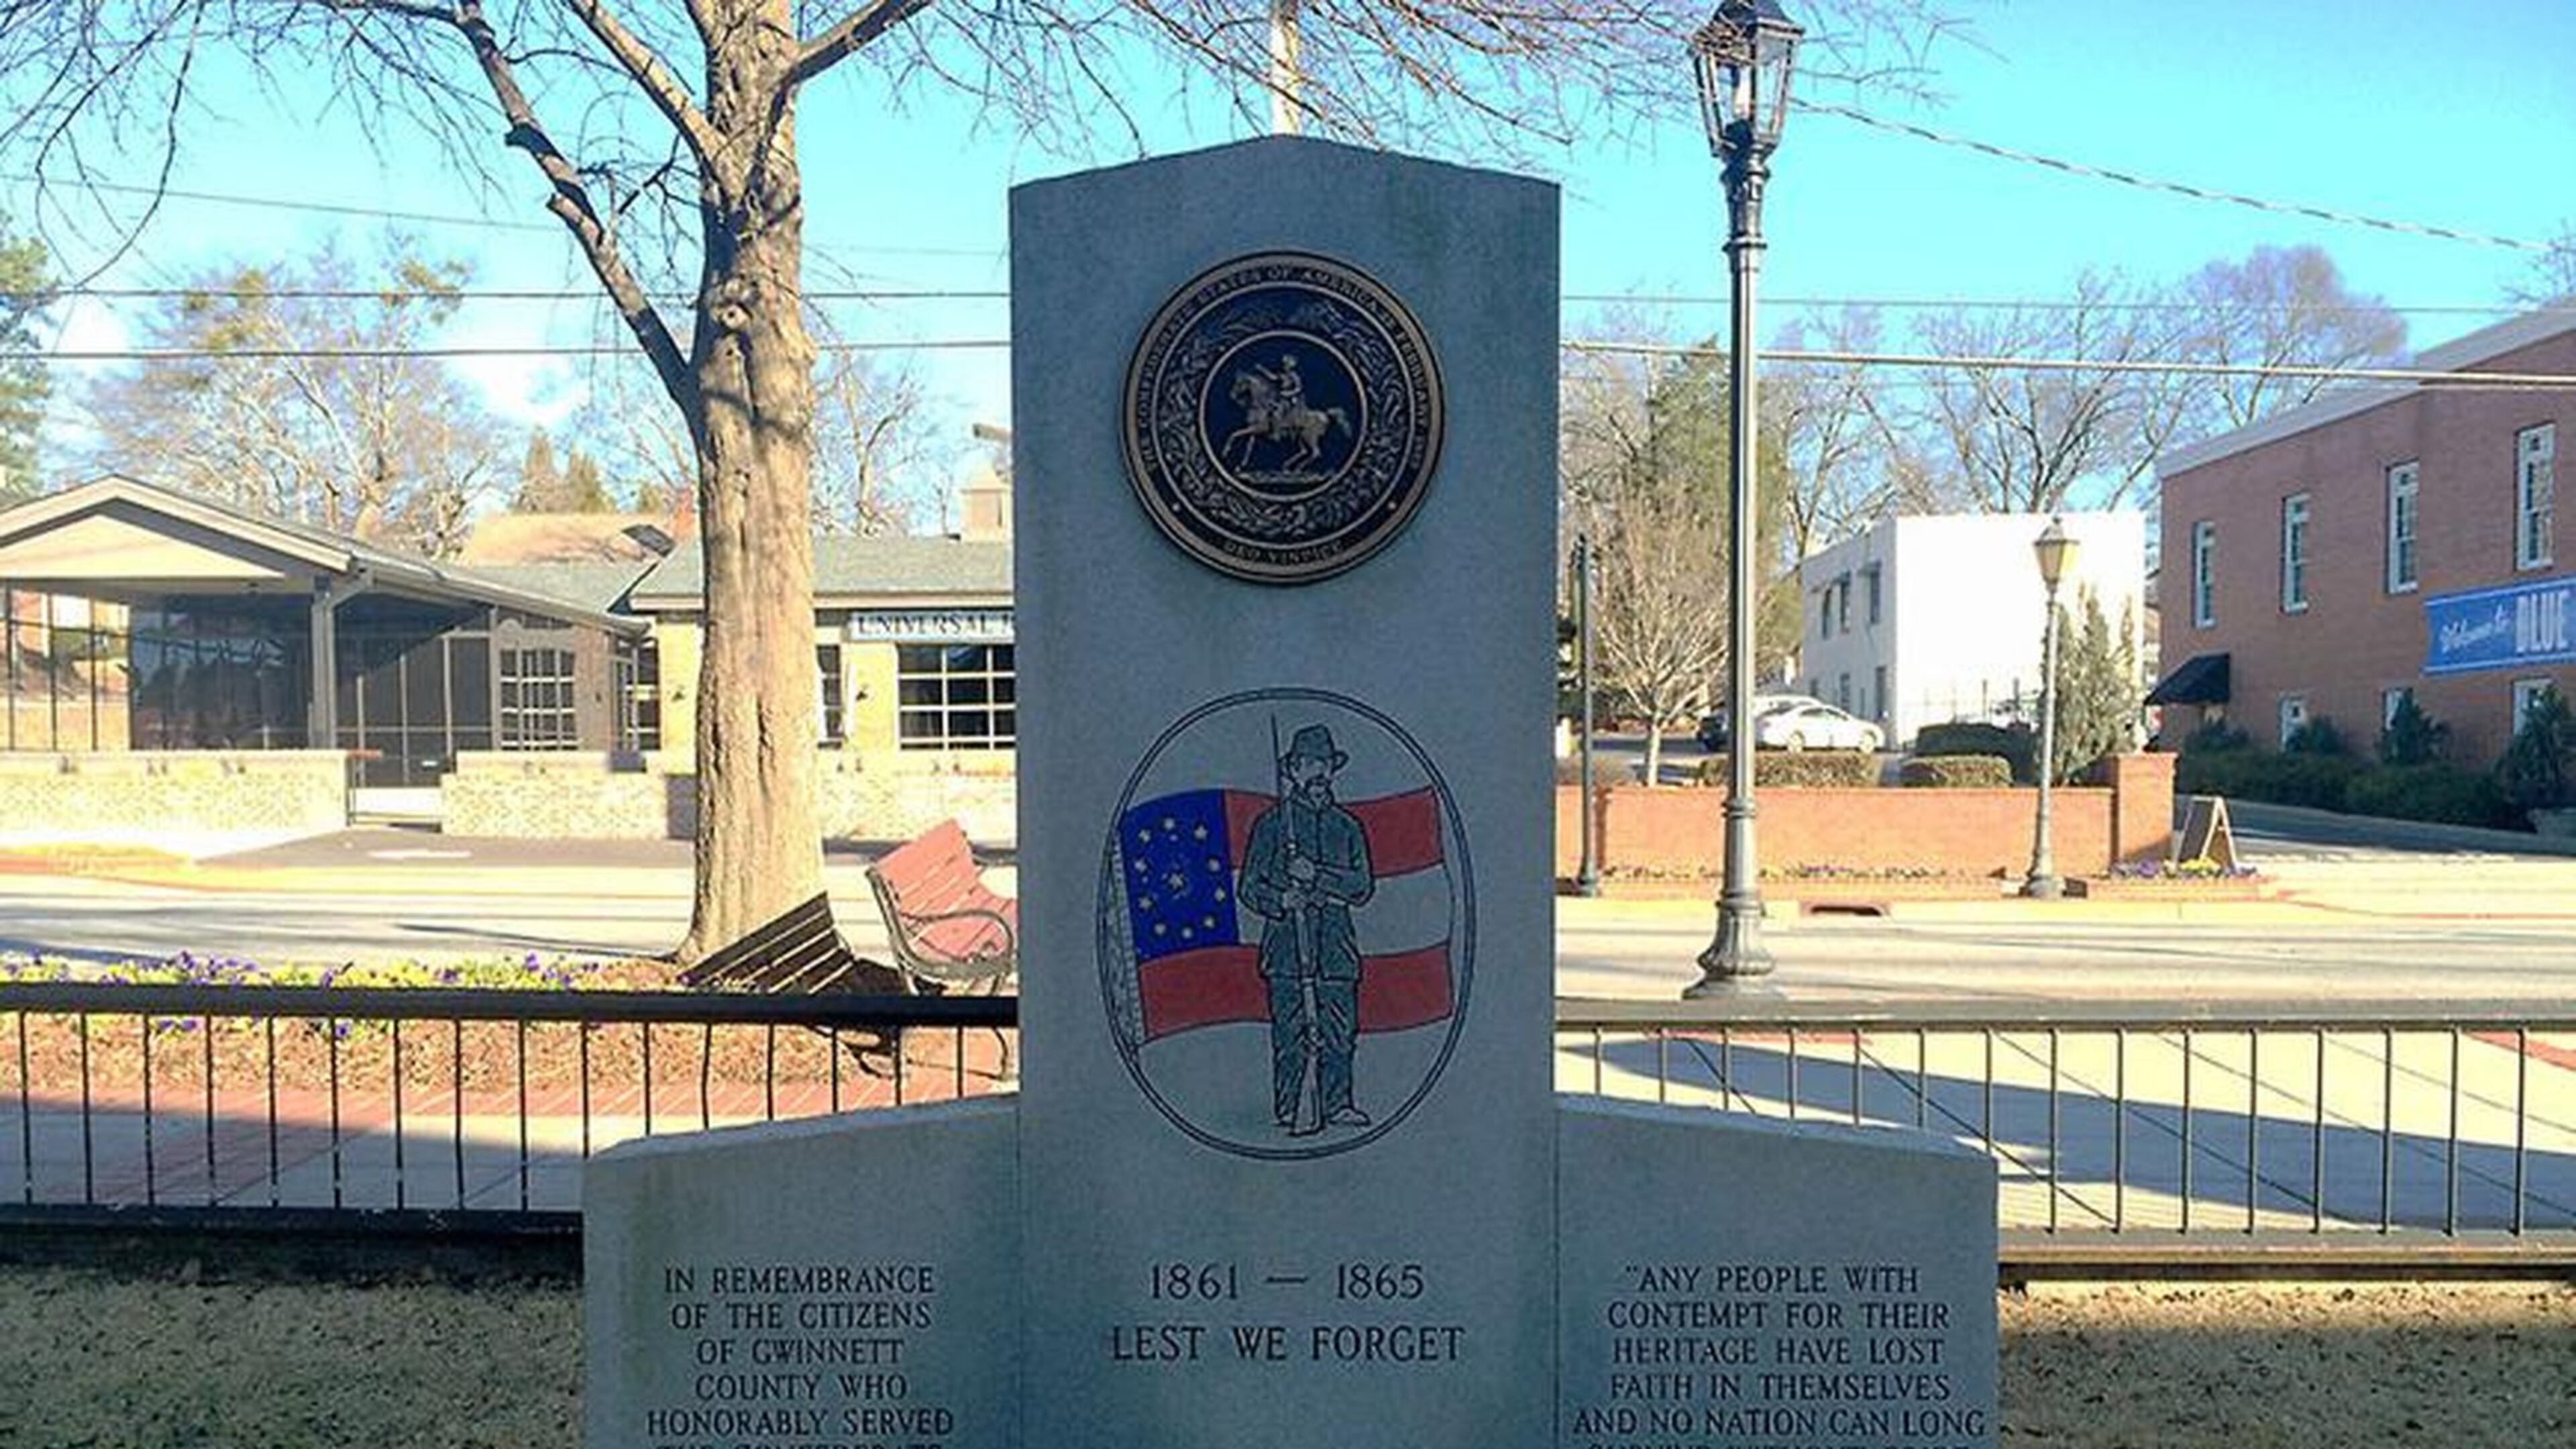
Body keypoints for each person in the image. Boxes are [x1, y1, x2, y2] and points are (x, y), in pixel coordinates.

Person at [1240, 723, 1376, 1134]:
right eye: (1307, 764)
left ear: (1332, 770)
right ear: (1294, 771)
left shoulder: (1347, 827)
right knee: (1291, 1035)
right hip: (1286, 947)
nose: (1317, 772)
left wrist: (1316, 876)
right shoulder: (1272, 825)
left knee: (1338, 1033)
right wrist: (1283, 900)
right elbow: (1249, 887)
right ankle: (1290, 1106)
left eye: (1323, 764)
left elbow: (1362, 886)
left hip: (1335, 948)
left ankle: (1336, 1105)